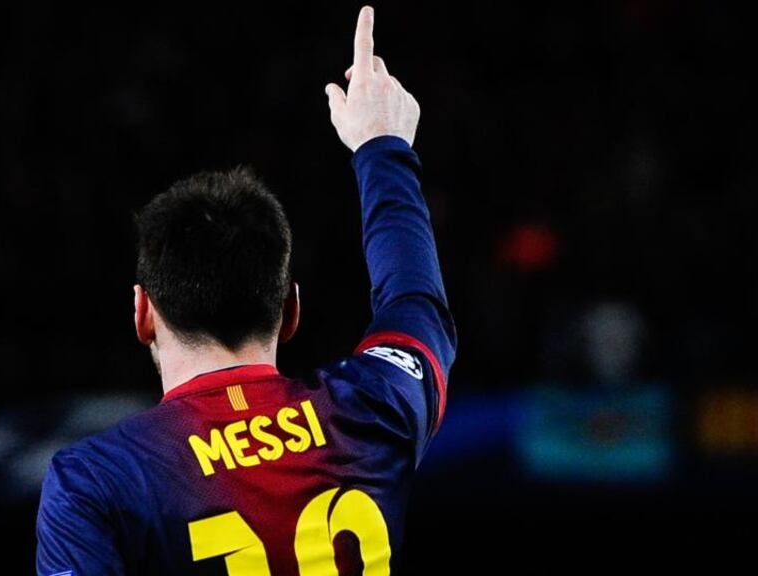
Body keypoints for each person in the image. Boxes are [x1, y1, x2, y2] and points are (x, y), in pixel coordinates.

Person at [35, 5, 456, 574]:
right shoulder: (372, 408)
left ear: (142, 313)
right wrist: (382, 147)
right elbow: (415, 304)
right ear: (292, 310)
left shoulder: (95, 482)